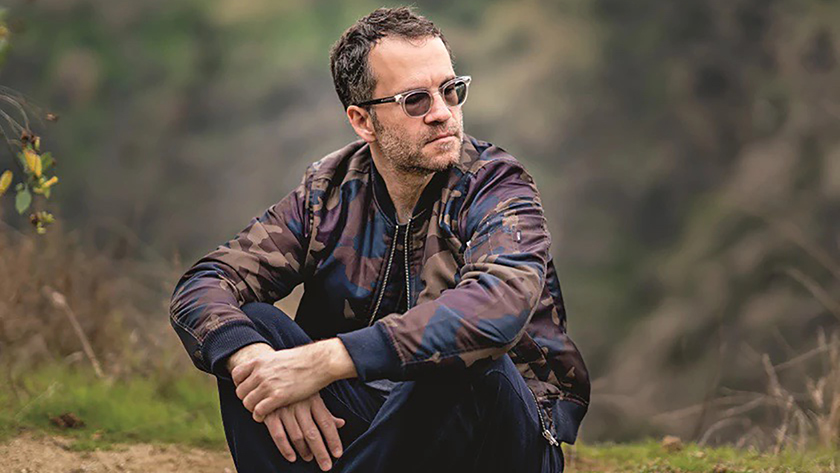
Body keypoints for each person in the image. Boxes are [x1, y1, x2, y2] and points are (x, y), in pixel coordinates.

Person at [169, 6, 589, 473]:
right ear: (362, 120)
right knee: (252, 328)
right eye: (415, 101)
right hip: (374, 424)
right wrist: (252, 357)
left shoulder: (497, 187)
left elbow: (498, 308)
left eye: (451, 92)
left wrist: (328, 360)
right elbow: (205, 283)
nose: (442, 114)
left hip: (501, 440)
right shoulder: (327, 192)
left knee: (459, 359)